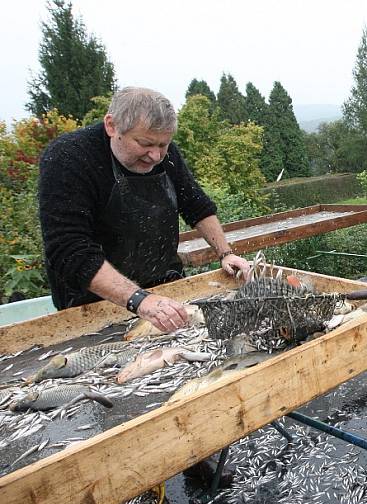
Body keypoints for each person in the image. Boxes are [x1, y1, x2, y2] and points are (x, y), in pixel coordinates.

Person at [39, 87, 251, 332]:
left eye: (164, 144)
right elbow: (69, 250)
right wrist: (139, 300)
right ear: (112, 126)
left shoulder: (164, 154)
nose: (156, 155)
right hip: (92, 307)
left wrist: (225, 253)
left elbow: (196, 204)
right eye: (145, 143)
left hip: (166, 289)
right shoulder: (68, 158)